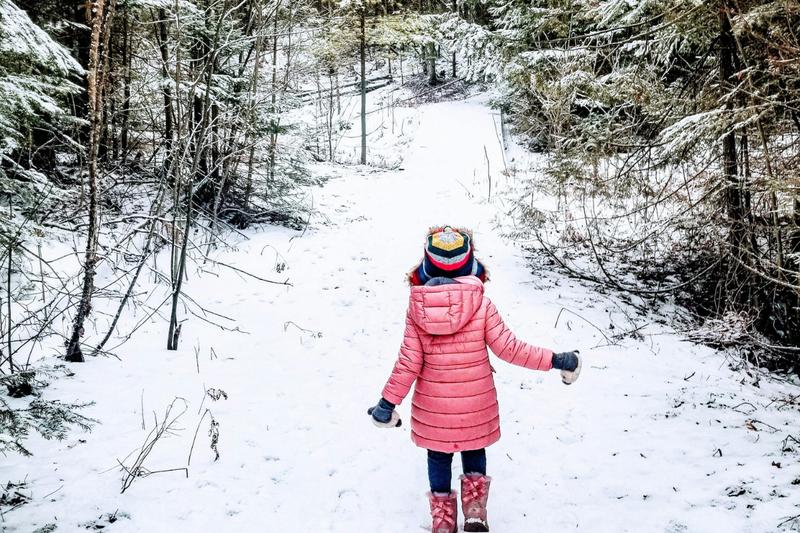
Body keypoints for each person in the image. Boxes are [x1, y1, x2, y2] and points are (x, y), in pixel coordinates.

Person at [368, 226, 581, 533]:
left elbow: (407, 364)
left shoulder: (418, 310)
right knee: (474, 448)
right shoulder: (480, 305)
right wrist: (558, 360)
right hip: (476, 406)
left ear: (426, 267)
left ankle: (442, 521)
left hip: (434, 410)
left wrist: (386, 404)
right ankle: (475, 512)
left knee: (439, 458)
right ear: (471, 266)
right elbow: (511, 349)